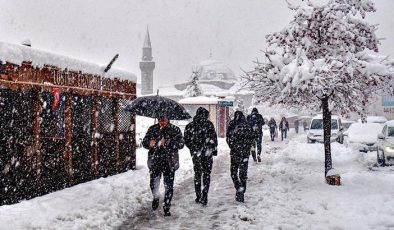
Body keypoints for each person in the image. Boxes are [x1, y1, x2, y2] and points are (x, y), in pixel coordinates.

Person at [142, 117, 184, 217]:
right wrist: (149, 143)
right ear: (157, 119)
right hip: (155, 161)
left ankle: (167, 206)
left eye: (164, 119)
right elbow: (144, 143)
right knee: (153, 183)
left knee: (169, 185)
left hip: (169, 162)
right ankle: (156, 197)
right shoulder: (152, 129)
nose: (162, 122)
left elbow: (181, 144)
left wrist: (168, 142)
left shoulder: (175, 129)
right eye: (160, 119)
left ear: (168, 119)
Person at [184, 107, 218, 206]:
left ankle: (198, 195)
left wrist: (193, 149)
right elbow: (214, 139)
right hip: (207, 154)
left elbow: (186, 139)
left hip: (196, 154)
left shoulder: (190, 125)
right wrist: (213, 151)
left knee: (198, 174)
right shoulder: (209, 125)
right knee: (206, 174)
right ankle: (205, 195)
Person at [226, 111, 254, 202]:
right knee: (243, 174)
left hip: (235, 153)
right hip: (245, 154)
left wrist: (232, 147)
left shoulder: (232, 123)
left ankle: (238, 187)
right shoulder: (247, 125)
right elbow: (252, 138)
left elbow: (228, 137)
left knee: (233, 172)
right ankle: (241, 192)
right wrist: (247, 148)